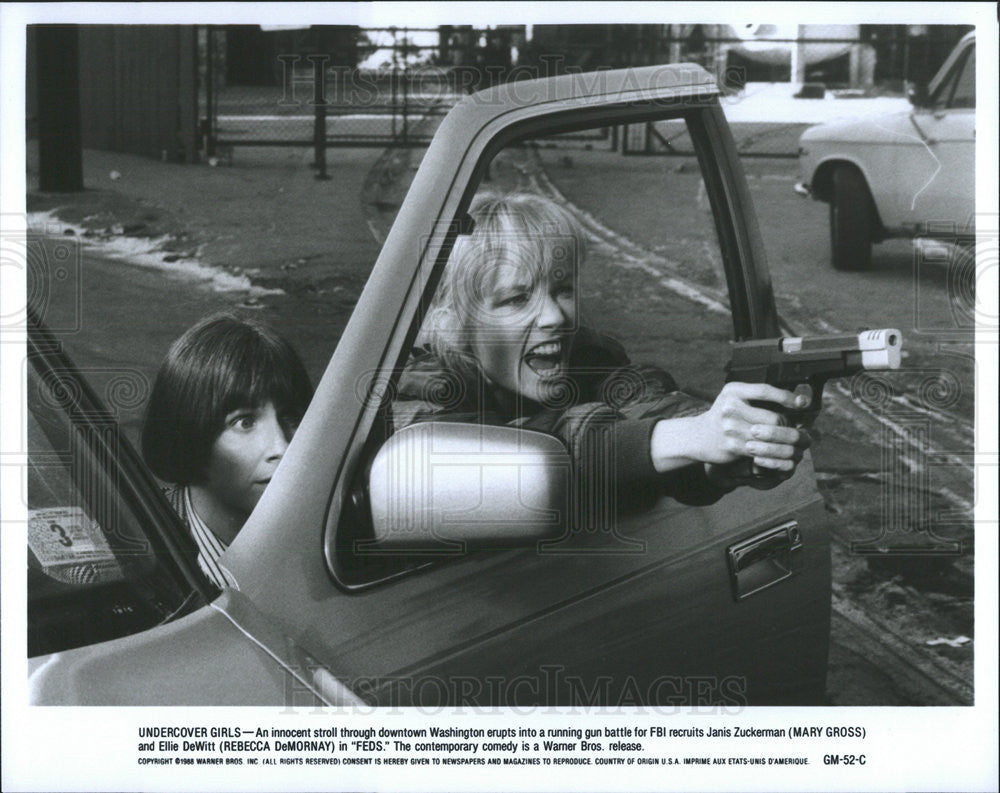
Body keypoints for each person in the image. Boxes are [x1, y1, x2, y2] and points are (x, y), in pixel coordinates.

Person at [392, 192, 810, 513]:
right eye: (516, 299)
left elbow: (645, 402)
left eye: (563, 290)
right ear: (453, 323)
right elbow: (504, 463)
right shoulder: (423, 389)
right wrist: (688, 438)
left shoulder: (589, 358)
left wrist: (718, 459)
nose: (555, 317)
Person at [141, 312, 312, 588]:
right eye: (245, 422)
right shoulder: (136, 560)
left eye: (290, 418)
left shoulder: (331, 539)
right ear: (188, 432)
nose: (283, 447)